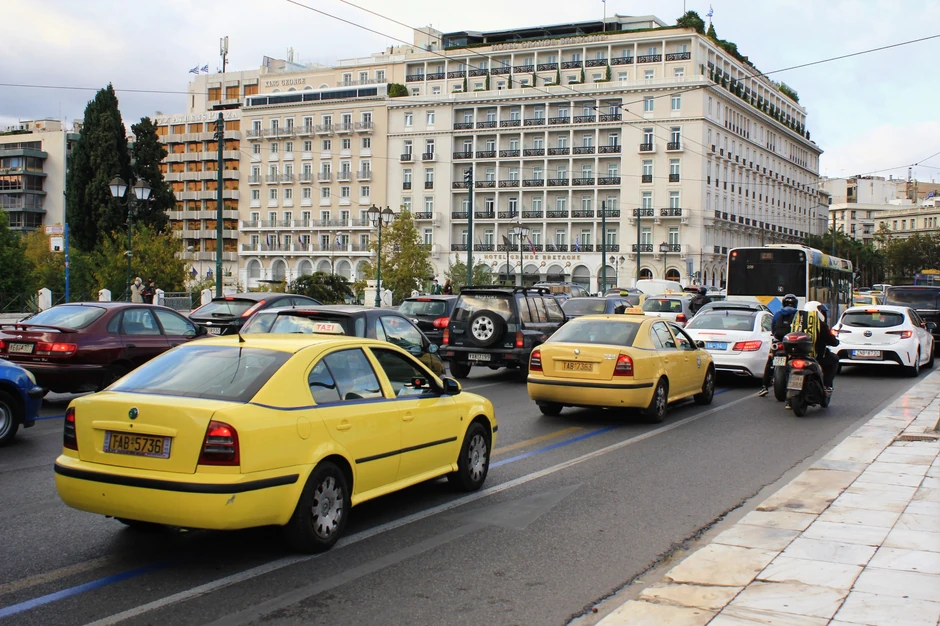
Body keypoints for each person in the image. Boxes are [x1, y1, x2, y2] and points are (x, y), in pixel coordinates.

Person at [758, 293, 800, 397]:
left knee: (770, 362)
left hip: (778, 342)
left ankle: (764, 386)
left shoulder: (777, 314)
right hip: (793, 342)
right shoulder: (799, 314)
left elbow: (773, 328)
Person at [805, 301, 840, 392]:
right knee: (834, 359)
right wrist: (835, 341)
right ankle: (826, 386)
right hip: (817, 357)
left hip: (797, 355)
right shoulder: (820, 325)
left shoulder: (799, 321)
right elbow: (831, 341)